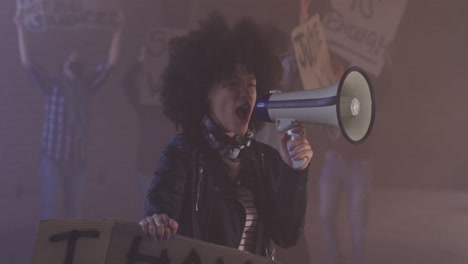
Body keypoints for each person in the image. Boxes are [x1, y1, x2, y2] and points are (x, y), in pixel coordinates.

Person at [138, 12, 314, 258]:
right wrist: (157, 219)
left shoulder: (265, 158)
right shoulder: (183, 151)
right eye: (232, 83)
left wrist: (295, 171)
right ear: (205, 94)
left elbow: (287, 235)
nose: (245, 93)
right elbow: (161, 206)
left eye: (251, 84)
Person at [14, 9, 124, 219]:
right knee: (52, 211)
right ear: (64, 64)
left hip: (77, 161)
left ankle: (72, 252)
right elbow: (28, 65)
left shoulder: (87, 87)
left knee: (77, 212)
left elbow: (110, 66)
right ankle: (50, 252)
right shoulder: (52, 86)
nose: (76, 66)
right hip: (52, 160)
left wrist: (119, 30)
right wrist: (20, 28)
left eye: (79, 63)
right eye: (72, 62)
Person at [122, 46, 175, 200]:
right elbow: (126, 83)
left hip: (168, 171)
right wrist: (140, 62)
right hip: (147, 170)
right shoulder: (147, 107)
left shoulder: (174, 108)